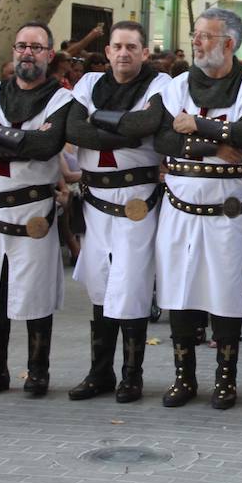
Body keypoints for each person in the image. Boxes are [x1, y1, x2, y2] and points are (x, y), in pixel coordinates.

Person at [112, 9, 242, 411]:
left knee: (225, 293)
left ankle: (225, 380)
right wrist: (216, 144)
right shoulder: (179, 84)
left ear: (229, 44)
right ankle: (184, 377)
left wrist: (196, 125)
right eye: (196, 34)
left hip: (227, 212)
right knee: (178, 291)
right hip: (180, 209)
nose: (197, 42)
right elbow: (164, 139)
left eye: (205, 36)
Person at [59, 21, 172, 404]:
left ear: (144, 52)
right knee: (100, 284)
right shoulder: (90, 84)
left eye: (132, 47)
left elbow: (149, 123)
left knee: (132, 284)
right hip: (95, 202)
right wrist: (127, 132)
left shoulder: (159, 85)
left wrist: (98, 121)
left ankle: (131, 376)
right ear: (107, 51)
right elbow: (74, 129)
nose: (124, 53)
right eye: (117, 46)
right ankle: (100, 372)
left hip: (137, 200)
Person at [0, 22, 74, 398]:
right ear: (13, 51)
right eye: (22, 46)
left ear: (49, 55)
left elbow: (46, 146)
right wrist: (23, 141)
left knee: (34, 293)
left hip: (33, 213)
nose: (28, 53)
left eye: (36, 47)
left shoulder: (61, 100)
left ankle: (38, 373)